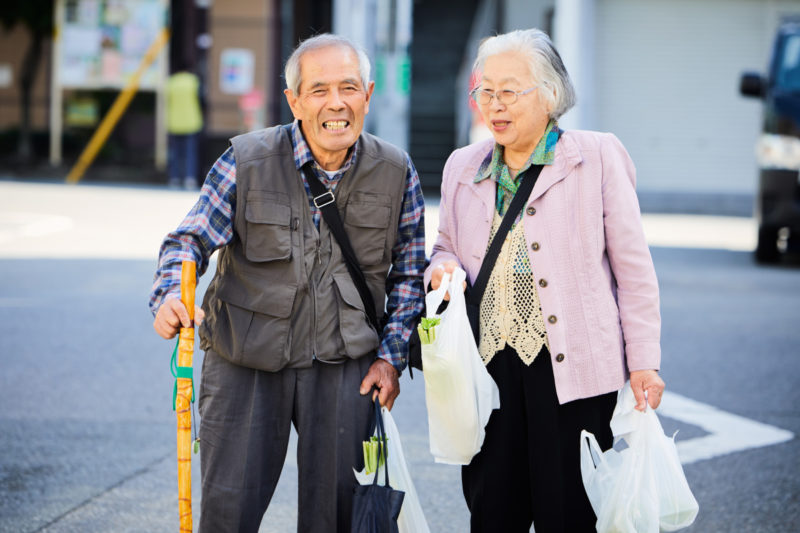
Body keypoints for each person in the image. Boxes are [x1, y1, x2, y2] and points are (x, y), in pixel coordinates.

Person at [150, 34, 425, 532]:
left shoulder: (396, 170)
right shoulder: (246, 160)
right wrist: (172, 293)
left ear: (368, 92)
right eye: (319, 90)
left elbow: (409, 274)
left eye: (348, 87)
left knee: (338, 517)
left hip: (346, 365)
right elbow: (187, 242)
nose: (336, 103)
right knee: (227, 513)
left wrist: (390, 357)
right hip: (246, 359)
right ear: (294, 100)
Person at [426, 29, 665, 532]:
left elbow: (633, 268)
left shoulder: (596, 156)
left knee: (570, 513)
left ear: (550, 94)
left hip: (574, 369)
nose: (495, 104)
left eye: (510, 90)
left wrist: (644, 361)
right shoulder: (461, 166)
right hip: (488, 369)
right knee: (493, 509)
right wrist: (441, 267)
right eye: (485, 91)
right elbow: (445, 243)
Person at [166, 67, 203, 189]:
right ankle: (190, 178)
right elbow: (201, 98)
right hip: (191, 121)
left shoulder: (171, 82)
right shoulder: (193, 81)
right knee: (190, 153)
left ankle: (174, 178)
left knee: (175, 153)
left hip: (174, 122)